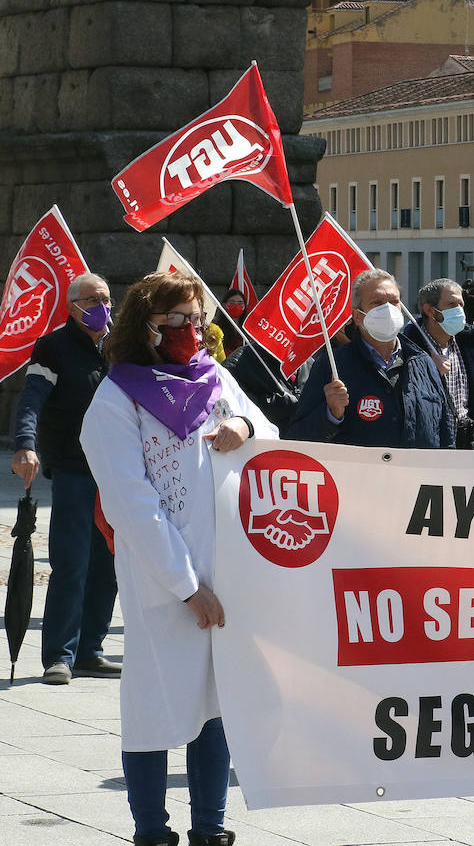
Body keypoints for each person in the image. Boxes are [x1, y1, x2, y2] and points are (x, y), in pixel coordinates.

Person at [79, 271, 275, 846]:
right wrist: (188, 586)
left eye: (198, 319)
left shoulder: (212, 378)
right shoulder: (115, 398)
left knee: (213, 702)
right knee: (154, 700)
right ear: (148, 327)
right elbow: (130, 504)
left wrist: (240, 424)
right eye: (180, 321)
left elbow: (266, 426)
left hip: (227, 563)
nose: (194, 330)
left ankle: (209, 828)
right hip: (159, 577)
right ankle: (151, 828)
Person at [11, 272, 119, 686]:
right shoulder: (53, 348)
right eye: (92, 298)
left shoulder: (119, 348)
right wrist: (25, 443)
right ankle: (59, 655)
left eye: (107, 297)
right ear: (72, 307)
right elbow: (32, 398)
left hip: (117, 474)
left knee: (108, 563)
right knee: (71, 563)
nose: (102, 306)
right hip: (75, 471)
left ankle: (91, 649)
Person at [288, 269, 455, 449]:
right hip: (359, 476)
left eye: (394, 302)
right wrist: (331, 415)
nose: (388, 309)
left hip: (417, 476)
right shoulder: (332, 366)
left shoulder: (423, 363)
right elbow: (297, 438)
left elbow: (446, 432)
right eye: (377, 303)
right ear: (358, 316)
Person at [406, 277, 474, 449]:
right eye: (452, 305)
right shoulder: (408, 349)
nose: (460, 310)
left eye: (461, 304)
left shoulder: (468, 344)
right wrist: (426, 366)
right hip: (431, 451)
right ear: (430, 311)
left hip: (468, 449)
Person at [217, 289, 246, 356]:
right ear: (224, 305)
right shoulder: (217, 328)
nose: (236, 306)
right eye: (232, 303)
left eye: (240, 303)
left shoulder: (248, 328)